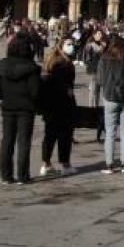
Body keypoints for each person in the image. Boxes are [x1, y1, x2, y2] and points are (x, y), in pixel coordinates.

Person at [0, 37, 40, 184]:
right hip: (26, 108)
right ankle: (22, 176)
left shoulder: (1, 65)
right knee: (24, 141)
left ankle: (6, 176)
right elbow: (35, 91)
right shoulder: (32, 67)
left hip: (8, 106)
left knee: (7, 140)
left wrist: (4, 97)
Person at [96, 34, 124, 173]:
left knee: (110, 132)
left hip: (110, 97)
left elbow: (100, 80)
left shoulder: (104, 58)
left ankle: (109, 165)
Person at [38, 43, 77, 177]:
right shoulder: (66, 65)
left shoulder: (47, 64)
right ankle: (65, 164)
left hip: (49, 106)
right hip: (64, 104)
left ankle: (45, 164)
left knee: (49, 136)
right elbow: (68, 85)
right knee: (64, 136)